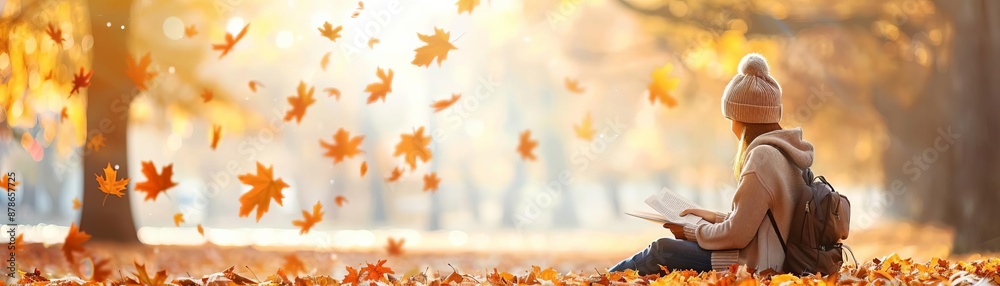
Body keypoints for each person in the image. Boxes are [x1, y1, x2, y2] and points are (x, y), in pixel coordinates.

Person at [609, 53, 815, 274]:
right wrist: (711, 217)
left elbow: (737, 234)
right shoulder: (787, 154)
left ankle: (600, 281)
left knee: (661, 249)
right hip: (773, 258)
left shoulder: (762, 158)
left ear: (742, 118)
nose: (731, 127)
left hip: (755, 265)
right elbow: (757, 224)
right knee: (664, 251)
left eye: (731, 119)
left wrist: (691, 230)